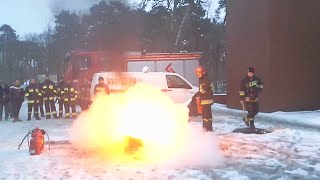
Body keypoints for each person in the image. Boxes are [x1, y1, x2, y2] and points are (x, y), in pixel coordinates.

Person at [195, 66, 214, 132]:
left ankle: (207, 129)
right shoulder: (202, 79)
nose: (198, 75)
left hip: (207, 100)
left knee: (206, 115)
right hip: (205, 100)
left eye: (199, 73)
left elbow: (203, 90)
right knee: (206, 115)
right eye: (197, 74)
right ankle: (208, 128)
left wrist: (195, 95)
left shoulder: (206, 80)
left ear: (203, 72)